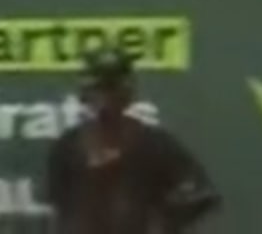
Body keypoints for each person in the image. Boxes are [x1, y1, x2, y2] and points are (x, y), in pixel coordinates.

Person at [40, 50, 220, 234]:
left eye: (112, 89)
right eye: (99, 90)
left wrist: (166, 224)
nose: (105, 100)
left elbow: (201, 193)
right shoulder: (68, 146)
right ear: (85, 93)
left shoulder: (154, 144)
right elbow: (57, 212)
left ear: (127, 93)